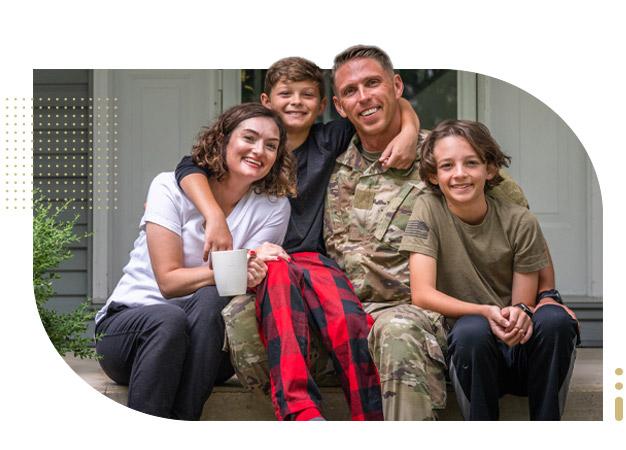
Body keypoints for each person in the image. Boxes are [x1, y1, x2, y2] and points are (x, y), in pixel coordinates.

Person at [322, 44, 567, 421]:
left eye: (373, 83)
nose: (364, 97)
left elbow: (522, 227)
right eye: (351, 91)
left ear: (397, 86)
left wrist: (547, 296)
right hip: (349, 313)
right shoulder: (333, 163)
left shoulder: (447, 157)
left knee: (398, 330)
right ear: (339, 106)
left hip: (425, 314)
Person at [173, 56, 420, 421]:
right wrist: (213, 215)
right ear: (266, 102)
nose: (296, 102)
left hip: (313, 258)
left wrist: (410, 132)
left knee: (349, 319)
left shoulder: (329, 137)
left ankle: (369, 417)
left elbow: (389, 102)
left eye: (307, 95)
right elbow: (188, 166)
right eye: (285, 93)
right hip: (263, 262)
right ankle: (299, 410)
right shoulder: (252, 152)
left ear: (322, 106)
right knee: (283, 310)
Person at [93, 103, 295, 420]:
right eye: (249, 138)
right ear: (223, 140)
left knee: (212, 297)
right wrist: (244, 260)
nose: (260, 150)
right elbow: (169, 282)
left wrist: (247, 268)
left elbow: (243, 282)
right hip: (131, 333)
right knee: (169, 320)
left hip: (208, 346)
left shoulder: (273, 207)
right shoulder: (169, 188)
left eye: (271, 145)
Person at [399, 120, 580, 420]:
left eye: (471, 163)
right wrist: (484, 311)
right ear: (433, 176)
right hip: (474, 356)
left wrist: (521, 313)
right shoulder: (428, 209)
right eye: (447, 166)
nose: (459, 174)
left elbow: (522, 302)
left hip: (522, 352)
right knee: (471, 328)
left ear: (490, 169)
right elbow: (421, 294)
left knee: (555, 320)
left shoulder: (519, 220)